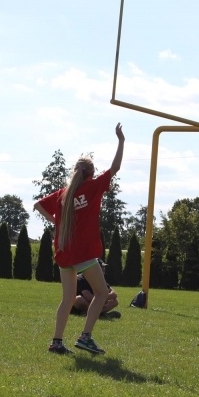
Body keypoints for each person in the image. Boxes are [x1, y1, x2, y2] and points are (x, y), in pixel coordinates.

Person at [33, 123, 125, 355]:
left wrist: (57, 222)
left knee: (67, 300)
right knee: (102, 293)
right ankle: (85, 337)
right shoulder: (93, 187)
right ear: (91, 174)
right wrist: (121, 141)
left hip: (64, 253)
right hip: (83, 252)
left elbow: (37, 205)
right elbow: (115, 168)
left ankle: (56, 342)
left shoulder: (63, 194)